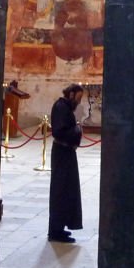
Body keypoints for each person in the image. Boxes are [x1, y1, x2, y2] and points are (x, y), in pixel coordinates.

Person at [48, 83, 84, 243]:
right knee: (60, 190)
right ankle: (55, 231)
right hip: (62, 153)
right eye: (78, 97)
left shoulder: (65, 107)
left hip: (67, 153)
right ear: (71, 94)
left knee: (67, 190)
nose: (79, 101)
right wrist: (77, 130)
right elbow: (59, 131)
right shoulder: (61, 107)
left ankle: (60, 227)